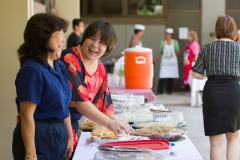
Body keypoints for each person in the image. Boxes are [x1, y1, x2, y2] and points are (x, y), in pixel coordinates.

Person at [61, 20, 132, 153]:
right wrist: (110, 124)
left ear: (108, 48)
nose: (95, 45)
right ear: (84, 37)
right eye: (92, 38)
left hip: (72, 127)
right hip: (54, 126)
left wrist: (121, 124)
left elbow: (103, 106)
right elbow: (79, 102)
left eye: (102, 42)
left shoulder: (100, 67)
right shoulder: (69, 59)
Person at [12, 13, 73, 160]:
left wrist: (70, 137)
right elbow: (26, 115)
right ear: (43, 36)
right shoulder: (32, 69)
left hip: (59, 134)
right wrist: (31, 154)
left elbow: (64, 106)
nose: (63, 40)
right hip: (39, 137)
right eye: (59, 34)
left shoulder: (59, 65)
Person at [193, 15, 240, 160]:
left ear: (217, 29)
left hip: (212, 91)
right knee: (233, 138)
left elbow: (196, 74)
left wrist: (209, 74)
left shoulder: (207, 47)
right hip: (234, 91)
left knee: (215, 143)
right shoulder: (239, 48)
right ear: (234, 30)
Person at [156, 28, 180, 95]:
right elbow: (160, 51)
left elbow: (177, 51)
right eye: (166, 34)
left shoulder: (175, 42)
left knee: (171, 76)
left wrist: (171, 55)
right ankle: (159, 90)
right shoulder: (162, 42)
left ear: (171, 35)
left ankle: (169, 90)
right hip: (165, 62)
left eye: (168, 35)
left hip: (172, 62)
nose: (167, 36)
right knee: (162, 76)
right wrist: (166, 55)